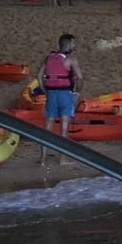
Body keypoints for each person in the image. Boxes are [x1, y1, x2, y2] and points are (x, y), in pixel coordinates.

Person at [38, 33, 82, 162]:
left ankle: (42, 159)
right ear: (68, 44)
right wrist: (78, 93)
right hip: (65, 95)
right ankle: (62, 160)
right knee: (64, 128)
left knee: (48, 127)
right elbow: (80, 78)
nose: (75, 45)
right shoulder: (71, 59)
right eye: (73, 43)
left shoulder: (48, 58)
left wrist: (45, 92)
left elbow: (39, 77)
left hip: (51, 94)